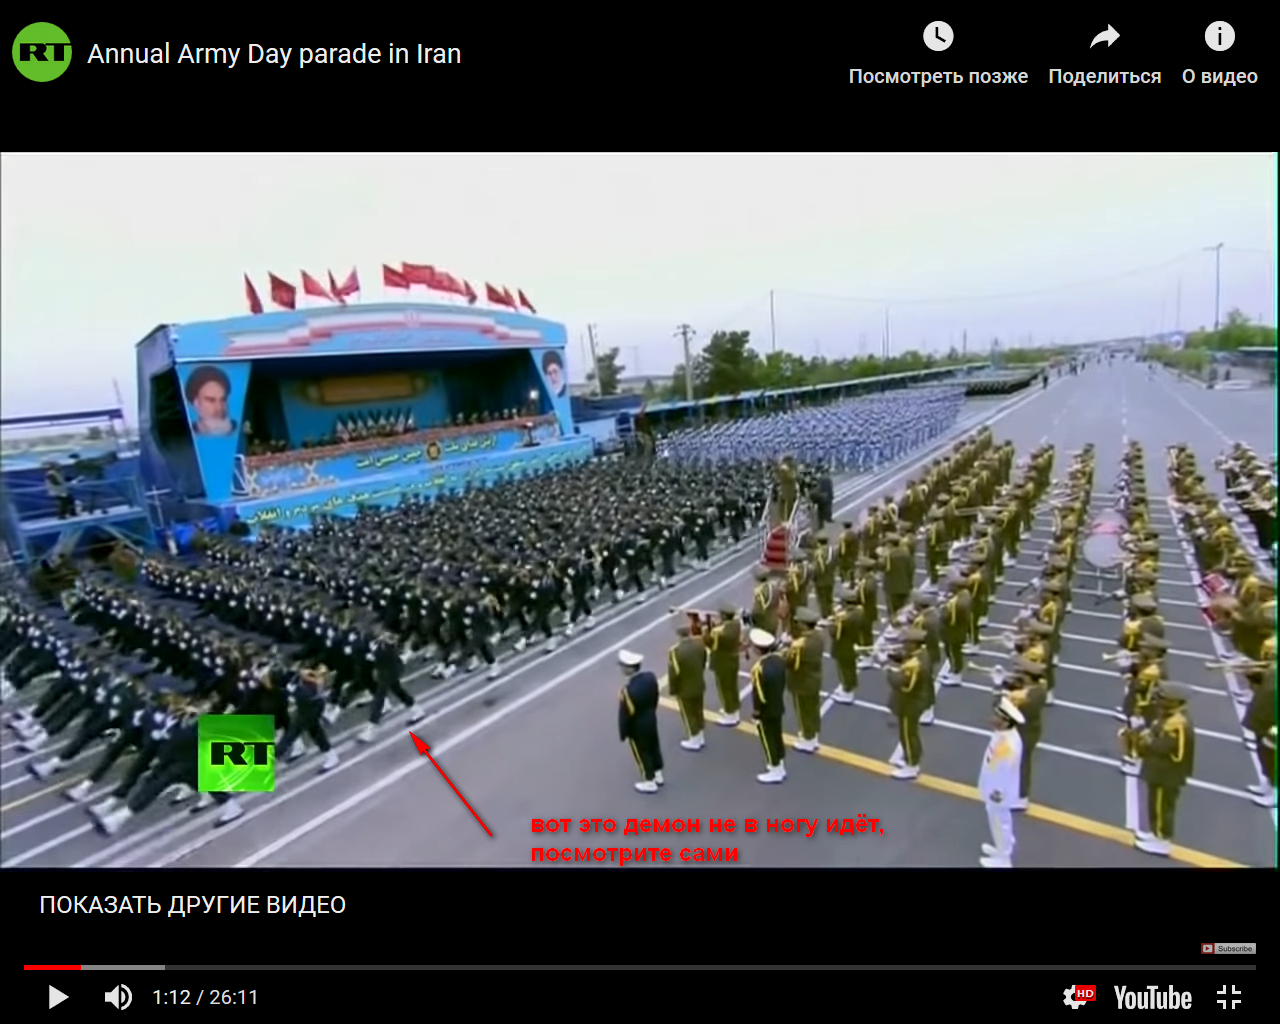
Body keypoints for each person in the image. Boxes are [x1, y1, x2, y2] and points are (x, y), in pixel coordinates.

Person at [1135, 682, 1196, 857]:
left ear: (1174, 702)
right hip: (1159, 771)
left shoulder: (1178, 724)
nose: (1158, 700)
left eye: (1162, 698)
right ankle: (1155, 833)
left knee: (1163, 807)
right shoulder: (1168, 716)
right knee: (1155, 803)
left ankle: (1162, 841)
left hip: (1167, 774)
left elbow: (1172, 751)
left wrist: (1148, 741)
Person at [978, 696, 1025, 868]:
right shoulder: (1004, 735)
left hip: (998, 792)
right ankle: (1001, 848)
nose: (992, 718)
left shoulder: (1007, 745)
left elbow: (1003, 772)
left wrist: (996, 793)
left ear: (1005, 722)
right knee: (999, 821)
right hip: (994, 787)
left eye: (997, 716)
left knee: (1000, 822)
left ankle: (1004, 859)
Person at [617, 649, 664, 793]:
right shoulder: (650, 678)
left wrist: (624, 732)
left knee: (642, 752)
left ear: (630, 668)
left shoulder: (627, 691)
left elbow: (626, 715)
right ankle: (658, 773)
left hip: (637, 725)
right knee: (654, 745)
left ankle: (649, 780)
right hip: (651, 718)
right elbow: (655, 697)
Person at [749, 628, 788, 784]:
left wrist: (757, 712)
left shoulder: (759, 668)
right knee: (777, 735)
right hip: (778, 704)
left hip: (766, 710)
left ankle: (774, 768)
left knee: (768, 739)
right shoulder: (779, 660)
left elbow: (759, 694)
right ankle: (780, 763)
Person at [667, 622, 708, 751]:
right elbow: (704, 660)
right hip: (699, 684)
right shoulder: (699, 644)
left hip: (684, 688)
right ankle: (701, 736)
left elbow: (674, 673)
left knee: (689, 714)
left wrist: (673, 690)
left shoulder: (675, 652)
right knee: (698, 710)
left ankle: (694, 739)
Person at [184, 364, 237, 436]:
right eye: (211, 400)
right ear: (196, 403)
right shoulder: (185, 434)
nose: (219, 408)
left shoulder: (239, 430)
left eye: (223, 400)